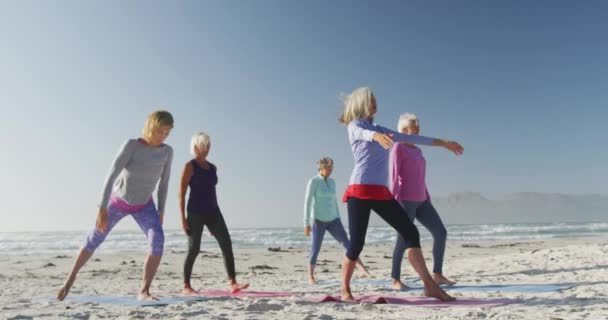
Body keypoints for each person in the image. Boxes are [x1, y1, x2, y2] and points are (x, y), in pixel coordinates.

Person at [338, 87, 463, 301]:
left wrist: (443, 143)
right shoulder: (355, 126)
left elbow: (409, 137)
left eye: (376, 100)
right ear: (361, 104)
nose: (375, 104)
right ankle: (344, 290)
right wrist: (376, 136)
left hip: (380, 192)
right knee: (356, 244)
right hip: (360, 189)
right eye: (371, 101)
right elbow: (363, 133)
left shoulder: (382, 129)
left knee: (410, 232)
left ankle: (429, 285)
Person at [57, 110, 174, 301]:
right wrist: (102, 208)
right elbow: (111, 175)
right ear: (151, 127)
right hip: (118, 202)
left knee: (158, 240)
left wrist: (161, 210)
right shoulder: (132, 146)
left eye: (167, 133)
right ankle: (69, 280)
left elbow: (164, 183)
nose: (163, 136)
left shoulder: (167, 152)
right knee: (94, 238)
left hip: (145, 205)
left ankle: (144, 291)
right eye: (160, 131)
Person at [390, 113, 456, 290]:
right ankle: (395, 278)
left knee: (440, 232)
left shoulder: (418, 150)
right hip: (405, 200)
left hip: (422, 200)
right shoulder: (398, 148)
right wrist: (394, 203)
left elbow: (420, 177)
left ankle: (438, 274)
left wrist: (427, 196)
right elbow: (394, 177)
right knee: (403, 239)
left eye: (418, 125)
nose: (418, 129)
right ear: (404, 130)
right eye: (415, 126)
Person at [179, 132, 249, 294]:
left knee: (226, 243)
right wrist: (183, 219)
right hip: (195, 212)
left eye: (209, 145)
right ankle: (186, 286)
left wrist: (211, 225)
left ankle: (232, 282)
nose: (207, 148)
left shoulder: (213, 168)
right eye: (204, 145)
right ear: (196, 146)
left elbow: (210, 191)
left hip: (213, 212)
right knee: (194, 248)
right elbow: (181, 193)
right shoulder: (189, 166)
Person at [304, 157, 372, 285]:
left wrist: (339, 217)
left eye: (332, 167)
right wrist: (306, 223)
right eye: (328, 167)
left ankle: (362, 269)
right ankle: (311, 276)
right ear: (321, 168)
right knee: (315, 247)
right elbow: (307, 202)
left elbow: (334, 201)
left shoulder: (332, 182)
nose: (331, 170)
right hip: (318, 220)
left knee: (348, 244)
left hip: (334, 219)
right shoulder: (313, 181)